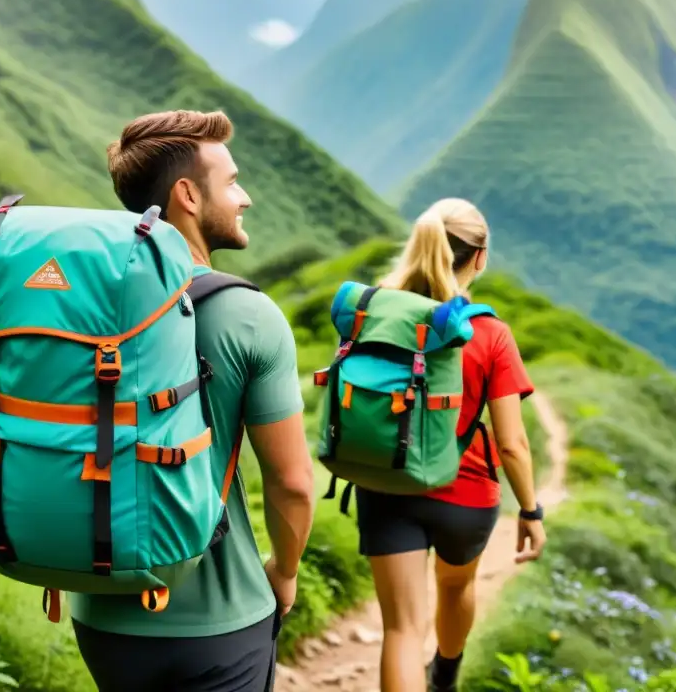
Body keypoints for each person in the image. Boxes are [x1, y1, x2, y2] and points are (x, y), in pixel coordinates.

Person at [67, 109, 316, 691]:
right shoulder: (248, 316)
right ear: (188, 195)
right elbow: (294, 483)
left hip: (101, 613)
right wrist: (284, 571)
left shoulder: (84, 304)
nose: (245, 197)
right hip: (218, 623)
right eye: (231, 182)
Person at [355, 198, 547, 692]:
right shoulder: (490, 333)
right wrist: (530, 511)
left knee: (400, 629)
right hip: (464, 496)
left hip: (385, 484)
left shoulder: (374, 314)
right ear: (479, 258)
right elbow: (513, 445)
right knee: (455, 586)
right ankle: (445, 674)